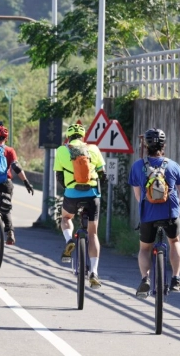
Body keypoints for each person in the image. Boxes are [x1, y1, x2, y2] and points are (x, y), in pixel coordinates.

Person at [128, 128, 180, 297]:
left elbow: (138, 195)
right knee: (174, 241)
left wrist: (146, 206)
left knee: (145, 248)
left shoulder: (138, 166)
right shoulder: (173, 165)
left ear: (146, 145)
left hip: (148, 215)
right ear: (164, 145)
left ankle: (145, 279)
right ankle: (176, 278)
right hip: (170, 213)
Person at [54, 122, 106, 289]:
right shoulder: (94, 149)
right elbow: (103, 174)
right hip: (92, 195)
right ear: (83, 137)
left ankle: (69, 240)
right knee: (93, 234)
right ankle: (94, 272)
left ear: (68, 136)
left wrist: (69, 188)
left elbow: (59, 176)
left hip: (72, 194)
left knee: (66, 218)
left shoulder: (62, 150)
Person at [0, 122, 35, 247]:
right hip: (5, 184)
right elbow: (16, 167)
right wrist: (26, 182)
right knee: (5, 208)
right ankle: (10, 234)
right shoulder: (9, 150)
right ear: (6, 138)